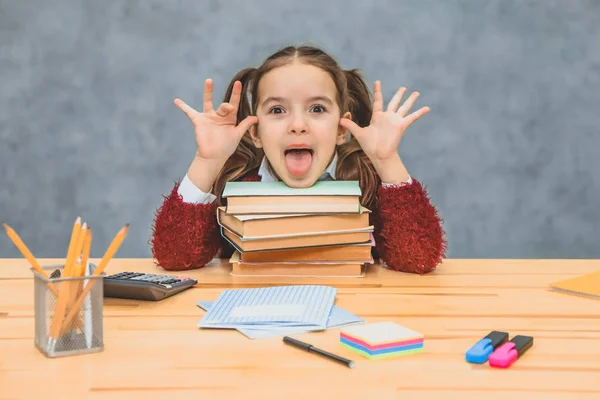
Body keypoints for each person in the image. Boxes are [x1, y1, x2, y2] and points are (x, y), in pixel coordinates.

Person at [150, 45, 447, 274]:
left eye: (317, 109)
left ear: (341, 128)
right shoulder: (237, 186)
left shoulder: (365, 185)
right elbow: (175, 258)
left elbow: (418, 260)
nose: (297, 125)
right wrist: (207, 162)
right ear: (255, 132)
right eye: (277, 111)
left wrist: (387, 161)